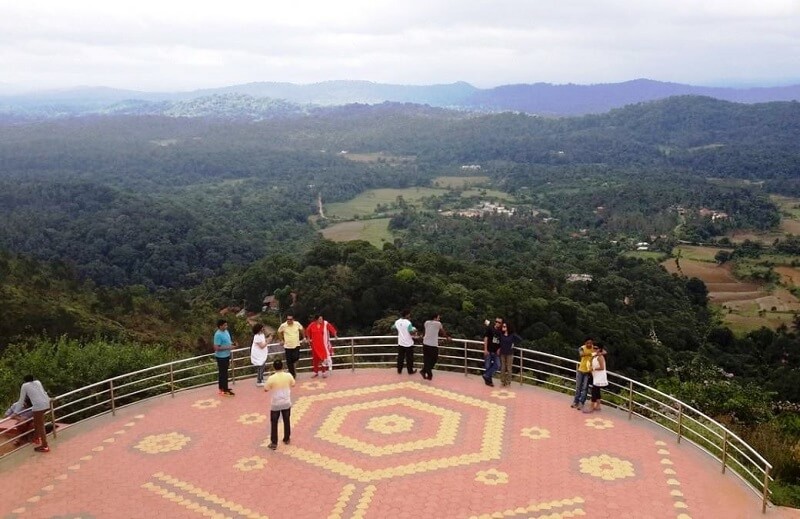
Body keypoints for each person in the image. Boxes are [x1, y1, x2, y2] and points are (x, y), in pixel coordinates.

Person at [13, 375, 51, 452]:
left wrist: (15, 412)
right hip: (47, 404)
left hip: (38, 407)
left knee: (40, 425)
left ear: (25, 381)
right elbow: (44, 392)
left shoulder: (24, 386)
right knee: (37, 422)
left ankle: (45, 446)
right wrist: (49, 399)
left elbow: (21, 400)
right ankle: (36, 438)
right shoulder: (38, 382)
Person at [264, 359, 295, 450]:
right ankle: (286, 438)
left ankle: (274, 443)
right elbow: (293, 384)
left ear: (274, 367)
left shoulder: (271, 378)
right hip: (286, 402)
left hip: (275, 404)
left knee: (274, 423)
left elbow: (266, 389)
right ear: (282, 366)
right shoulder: (288, 375)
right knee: (286, 420)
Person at [421, 313, 450, 381]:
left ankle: (424, 371)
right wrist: (447, 337)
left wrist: (422, 336)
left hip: (425, 343)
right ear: (435, 318)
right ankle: (429, 374)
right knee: (434, 359)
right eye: (438, 318)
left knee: (427, 359)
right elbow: (442, 332)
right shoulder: (438, 324)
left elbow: (425, 331)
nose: (439, 319)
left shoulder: (426, 322)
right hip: (433, 345)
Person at [213, 319, 237, 396]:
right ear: (220, 326)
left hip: (226, 355)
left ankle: (222, 388)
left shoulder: (226, 331)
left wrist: (232, 344)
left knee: (224, 372)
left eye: (226, 325)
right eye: (225, 325)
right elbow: (216, 347)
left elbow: (227, 341)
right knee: (223, 374)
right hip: (221, 357)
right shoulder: (218, 335)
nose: (226, 326)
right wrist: (229, 347)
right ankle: (224, 389)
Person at [277, 314, 305, 379]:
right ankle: (292, 375)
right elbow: (279, 332)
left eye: (290, 319)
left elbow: (302, 329)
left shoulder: (297, 324)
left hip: (296, 345)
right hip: (287, 346)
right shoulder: (283, 325)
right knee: (289, 362)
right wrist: (281, 340)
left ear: (293, 319)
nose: (289, 320)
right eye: (288, 319)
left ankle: (292, 369)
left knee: (296, 357)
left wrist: (304, 337)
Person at [571, 339, 594, 410]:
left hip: (588, 371)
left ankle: (581, 402)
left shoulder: (594, 348)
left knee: (585, 388)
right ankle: (575, 401)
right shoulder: (582, 348)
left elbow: (604, 352)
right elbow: (581, 354)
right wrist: (590, 354)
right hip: (581, 370)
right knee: (578, 387)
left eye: (590, 343)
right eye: (588, 343)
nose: (589, 344)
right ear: (585, 343)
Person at [392, 309, 418, 375]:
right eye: (409, 314)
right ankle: (410, 371)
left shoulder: (397, 321)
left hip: (401, 343)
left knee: (400, 357)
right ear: (407, 315)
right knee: (409, 358)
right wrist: (415, 331)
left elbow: (392, 328)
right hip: (408, 343)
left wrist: (400, 331)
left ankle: (399, 370)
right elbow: (411, 332)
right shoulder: (408, 323)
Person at [498, 322, 522, 387]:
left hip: (510, 354)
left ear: (508, 327)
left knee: (509, 368)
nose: (503, 327)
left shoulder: (512, 334)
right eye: (503, 326)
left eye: (504, 326)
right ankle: (502, 381)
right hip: (502, 353)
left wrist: (514, 343)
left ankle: (508, 382)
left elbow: (519, 339)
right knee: (502, 368)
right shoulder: (501, 334)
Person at [587, 344, 609, 413]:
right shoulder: (596, 355)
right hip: (596, 376)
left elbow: (602, 367)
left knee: (594, 392)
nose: (594, 349)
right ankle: (598, 405)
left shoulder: (600, 357)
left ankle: (591, 407)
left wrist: (593, 368)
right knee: (597, 391)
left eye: (596, 348)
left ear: (599, 349)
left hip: (599, 377)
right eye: (594, 348)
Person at [482, 317, 503, 386]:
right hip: (489, 350)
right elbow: (486, 338)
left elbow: (503, 341)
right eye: (496, 321)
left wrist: (500, 348)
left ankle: (486, 375)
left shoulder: (502, 331)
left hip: (496, 352)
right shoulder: (490, 329)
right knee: (487, 366)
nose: (497, 323)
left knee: (498, 365)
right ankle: (489, 381)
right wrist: (485, 349)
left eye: (499, 322)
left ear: (501, 324)